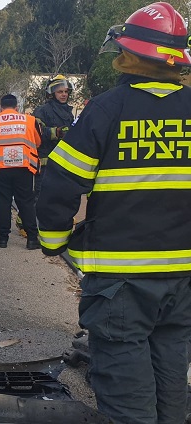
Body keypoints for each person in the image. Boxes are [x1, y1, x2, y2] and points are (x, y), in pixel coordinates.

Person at [36, 3, 191, 423]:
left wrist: (52, 242)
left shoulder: (106, 110)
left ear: (130, 55)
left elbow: (59, 184)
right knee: (172, 380)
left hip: (121, 284)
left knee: (127, 397)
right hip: (182, 283)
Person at [0, 94, 41, 249]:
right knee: (26, 203)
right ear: (17, 107)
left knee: (2, 204)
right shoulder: (30, 120)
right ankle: (32, 239)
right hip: (23, 169)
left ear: (0, 107)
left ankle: (2, 239)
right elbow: (37, 142)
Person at [32, 75, 75, 198]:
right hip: (46, 162)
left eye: (66, 92)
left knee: (61, 195)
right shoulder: (42, 110)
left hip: (63, 161)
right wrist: (56, 132)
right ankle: (32, 217)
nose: (64, 95)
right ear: (52, 94)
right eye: (60, 92)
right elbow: (37, 131)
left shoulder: (68, 112)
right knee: (42, 195)